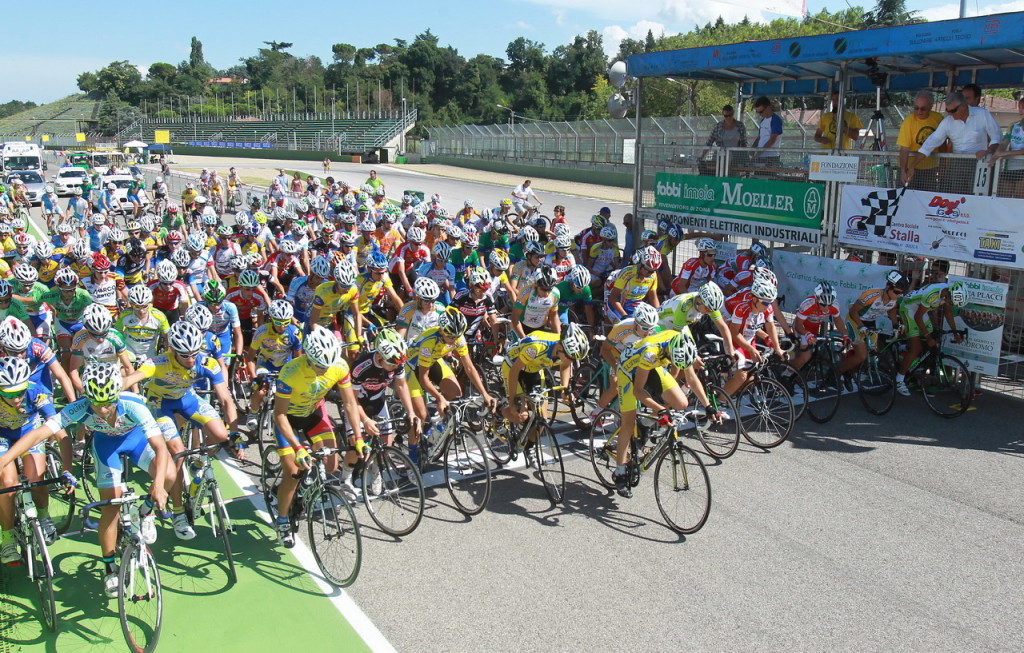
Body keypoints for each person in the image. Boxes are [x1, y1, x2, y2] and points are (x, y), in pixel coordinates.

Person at [1, 362, 173, 597]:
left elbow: (160, 448)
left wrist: (159, 485)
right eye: (96, 404)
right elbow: (38, 434)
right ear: (87, 398)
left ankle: (146, 512)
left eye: (108, 404)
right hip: (106, 448)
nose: (102, 410)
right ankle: (111, 568)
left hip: (136, 440)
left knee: (170, 475)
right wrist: (4, 461)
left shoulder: (134, 406)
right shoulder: (79, 407)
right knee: (110, 511)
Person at [272, 327, 364, 545]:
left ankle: (306, 485)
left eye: (328, 365)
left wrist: (358, 437)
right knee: (293, 472)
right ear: (308, 357)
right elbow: (280, 415)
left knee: (331, 465)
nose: (325, 369)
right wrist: (298, 447)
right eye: (320, 365)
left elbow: (350, 402)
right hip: (289, 421)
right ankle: (282, 518)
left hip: (313, 414)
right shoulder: (290, 372)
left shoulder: (339, 366)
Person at [611, 329, 717, 499]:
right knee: (628, 424)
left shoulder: (680, 343)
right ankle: (620, 472)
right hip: (628, 369)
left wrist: (708, 405)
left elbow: (691, 378)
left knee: (681, 403)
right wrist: (660, 411)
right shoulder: (650, 354)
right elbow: (638, 390)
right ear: (669, 352)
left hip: (654, 366)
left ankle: (645, 424)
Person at [905, 91, 1002, 191]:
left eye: (953, 110)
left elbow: (997, 136)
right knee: (958, 196)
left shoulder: (982, 114)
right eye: (948, 111)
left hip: (981, 162)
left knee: (979, 196)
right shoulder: (947, 122)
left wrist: (988, 152)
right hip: (958, 164)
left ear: (964, 106)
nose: (950, 114)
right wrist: (913, 166)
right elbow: (929, 144)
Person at [895, 281, 966, 396]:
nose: (949, 303)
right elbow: (917, 317)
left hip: (921, 310)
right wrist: (927, 337)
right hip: (909, 309)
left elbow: (948, 314)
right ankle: (899, 380)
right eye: (950, 301)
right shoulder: (932, 294)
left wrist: (955, 333)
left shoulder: (948, 293)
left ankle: (907, 352)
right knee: (916, 348)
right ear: (948, 294)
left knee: (933, 340)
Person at [838, 271, 909, 377]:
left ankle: (850, 371)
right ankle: (835, 373)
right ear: (888, 286)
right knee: (861, 356)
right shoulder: (871, 295)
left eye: (901, 293)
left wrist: (896, 324)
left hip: (870, 321)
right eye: (896, 292)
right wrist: (861, 326)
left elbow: (891, 310)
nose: (899, 296)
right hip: (855, 319)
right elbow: (853, 311)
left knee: (870, 352)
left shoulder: (896, 298)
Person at [897, 91, 945, 191]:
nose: (919, 111)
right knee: (905, 198)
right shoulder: (909, 121)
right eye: (916, 108)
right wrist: (903, 170)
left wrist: (943, 165)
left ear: (931, 106)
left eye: (923, 108)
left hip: (930, 168)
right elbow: (904, 149)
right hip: (909, 167)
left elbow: (943, 143)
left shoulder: (938, 118)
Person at [992, 97, 1024, 197]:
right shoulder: (1013, 126)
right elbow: (1004, 143)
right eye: (1020, 107)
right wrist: (997, 153)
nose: (1021, 110)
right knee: (1003, 198)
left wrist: (1005, 153)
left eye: (1023, 108)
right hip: (1009, 168)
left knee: (1019, 200)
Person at [752, 96, 782, 161]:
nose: (760, 114)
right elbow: (759, 137)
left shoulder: (775, 120)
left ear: (768, 108)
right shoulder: (762, 121)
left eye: (761, 111)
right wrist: (752, 150)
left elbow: (773, 139)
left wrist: (759, 152)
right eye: (758, 112)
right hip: (760, 157)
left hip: (771, 157)